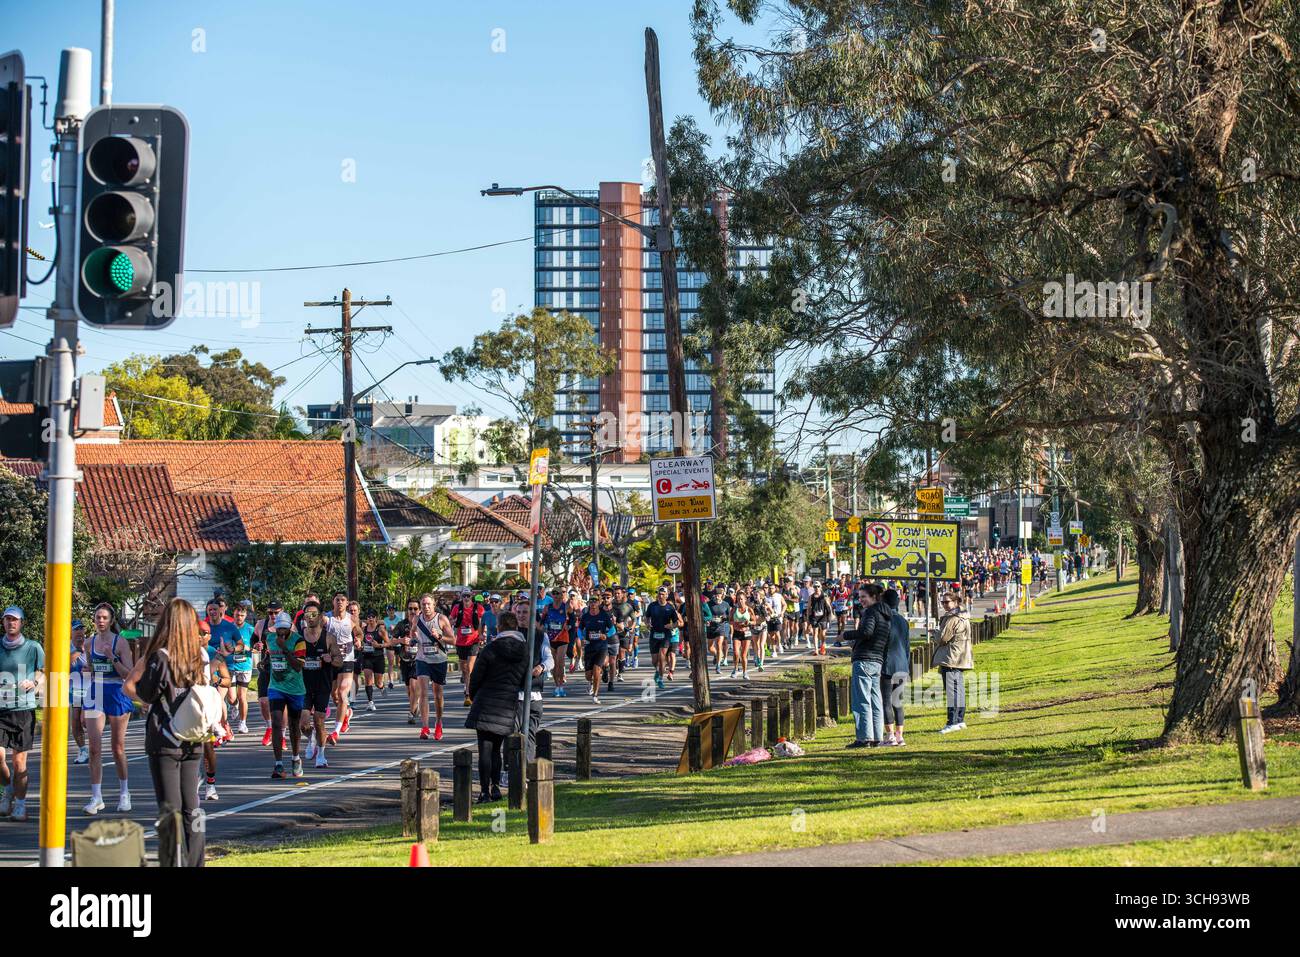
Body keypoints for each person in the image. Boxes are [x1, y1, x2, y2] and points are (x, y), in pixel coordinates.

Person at [124, 599, 206, 864]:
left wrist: (147, 701)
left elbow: (146, 692)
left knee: (170, 811)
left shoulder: (161, 656)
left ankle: (172, 862)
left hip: (165, 739)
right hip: (193, 739)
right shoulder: (198, 656)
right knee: (192, 808)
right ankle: (196, 862)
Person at [464, 611, 550, 802]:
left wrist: (474, 696)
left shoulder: (490, 649)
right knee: (496, 749)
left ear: (500, 627)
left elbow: (475, 678)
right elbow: (524, 679)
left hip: (486, 702)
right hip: (507, 706)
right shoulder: (525, 652)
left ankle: (485, 790)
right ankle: (495, 787)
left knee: (485, 750)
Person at [83, 602, 134, 813]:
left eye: (104, 618)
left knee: (117, 748)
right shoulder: (88, 643)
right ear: (94, 620)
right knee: (94, 749)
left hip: (116, 693)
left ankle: (124, 793)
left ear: (111, 620)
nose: (101, 621)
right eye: (97, 617)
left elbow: (129, 674)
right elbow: (91, 671)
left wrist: (112, 658)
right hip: (96, 693)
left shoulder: (120, 643)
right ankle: (96, 797)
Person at [0, 606, 43, 822]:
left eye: (14, 620)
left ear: (21, 623)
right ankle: (7, 790)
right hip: (1, 709)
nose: (11, 623)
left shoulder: (33, 647)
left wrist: (33, 682)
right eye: (7, 619)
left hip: (23, 710)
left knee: (19, 763)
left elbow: (44, 672)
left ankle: (21, 804)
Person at [263, 610, 306, 778]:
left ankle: (296, 758)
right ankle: (278, 764)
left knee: (294, 726)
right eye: (278, 628)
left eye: (284, 629)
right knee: (276, 723)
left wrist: (285, 648)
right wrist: (265, 663)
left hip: (295, 689)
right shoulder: (270, 638)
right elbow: (270, 656)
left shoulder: (298, 641)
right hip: (276, 686)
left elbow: (298, 666)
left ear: (289, 628)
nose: (280, 632)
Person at [848, 584, 890, 748]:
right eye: (859, 597)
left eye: (864, 596)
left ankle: (864, 737)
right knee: (875, 699)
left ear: (874, 597)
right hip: (877, 660)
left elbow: (866, 632)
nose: (861, 600)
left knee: (861, 700)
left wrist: (846, 635)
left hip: (864, 658)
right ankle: (877, 736)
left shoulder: (871, 612)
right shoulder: (886, 614)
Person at [297, 600, 335, 766]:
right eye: (307, 615)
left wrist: (331, 658)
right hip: (304, 685)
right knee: (303, 724)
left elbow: (339, 660)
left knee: (319, 721)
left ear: (320, 616)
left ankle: (321, 755)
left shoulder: (328, 637)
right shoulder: (298, 637)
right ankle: (311, 736)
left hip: (322, 685)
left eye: (314, 614)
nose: (310, 617)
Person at [414, 592, 454, 740]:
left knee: (437, 694)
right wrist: (413, 639)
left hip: (439, 660)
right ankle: (425, 727)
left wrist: (440, 636)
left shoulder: (441, 619)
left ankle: (438, 723)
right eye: (423, 604)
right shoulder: (417, 619)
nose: (426, 607)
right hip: (422, 659)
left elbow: (453, 640)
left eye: (428, 604)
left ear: (433, 605)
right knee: (423, 692)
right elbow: (412, 634)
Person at [934, 590, 973, 733]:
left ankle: (952, 722)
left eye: (947, 602)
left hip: (950, 657)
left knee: (952, 691)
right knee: (959, 689)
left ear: (955, 602)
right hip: (960, 656)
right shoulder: (964, 616)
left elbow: (942, 638)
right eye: (942, 602)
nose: (944, 605)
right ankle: (960, 719)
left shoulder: (952, 618)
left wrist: (935, 634)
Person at [881, 589, 910, 746]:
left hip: (887, 664)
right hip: (902, 664)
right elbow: (906, 646)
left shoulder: (884, 619)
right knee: (897, 702)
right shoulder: (903, 620)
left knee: (886, 701)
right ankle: (900, 736)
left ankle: (890, 735)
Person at [448, 587, 485, 705]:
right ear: (461, 597)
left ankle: (469, 693)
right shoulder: (457, 607)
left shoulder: (478, 608)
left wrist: (481, 635)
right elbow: (450, 620)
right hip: (460, 642)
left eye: (468, 596)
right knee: (464, 669)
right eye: (464, 596)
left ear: (472, 596)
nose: (466, 598)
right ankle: (467, 685)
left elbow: (482, 622)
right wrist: (452, 623)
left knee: (469, 668)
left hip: (473, 640)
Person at [389, 599, 421, 723]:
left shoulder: (423, 624)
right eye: (410, 609)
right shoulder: (402, 624)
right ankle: (415, 704)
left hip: (419, 659)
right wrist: (401, 640)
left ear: (419, 610)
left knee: (414, 685)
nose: (412, 611)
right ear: (407, 610)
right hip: (405, 659)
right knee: (409, 689)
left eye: (415, 609)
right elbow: (392, 640)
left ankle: (411, 713)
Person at [227, 600, 255, 733]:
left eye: (242, 615)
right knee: (232, 698)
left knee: (242, 696)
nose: (239, 618)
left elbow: (256, 648)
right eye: (237, 615)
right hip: (231, 666)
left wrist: (248, 647)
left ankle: (242, 723)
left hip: (245, 666)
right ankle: (234, 706)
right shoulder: (228, 627)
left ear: (245, 616)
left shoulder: (250, 629)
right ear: (234, 614)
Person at [359, 609, 388, 712]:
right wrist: (360, 646)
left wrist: (378, 645)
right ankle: (370, 702)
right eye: (368, 617)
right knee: (368, 679)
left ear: (376, 618)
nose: (370, 618)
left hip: (378, 657)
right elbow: (359, 641)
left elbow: (388, 643)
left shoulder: (380, 630)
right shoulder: (363, 629)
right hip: (367, 657)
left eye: (372, 616)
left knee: (378, 683)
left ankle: (382, 687)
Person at [69, 619, 89, 764]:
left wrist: (91, 670)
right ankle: (83, 750)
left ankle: (95, 746)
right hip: (75, 690)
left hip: (91, 689)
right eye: (76, 630)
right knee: (75, 722)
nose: (79, 632)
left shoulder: (91, 646)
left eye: (81, 629)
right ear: (70, 632)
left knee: (85, 721)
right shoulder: (66, 648)